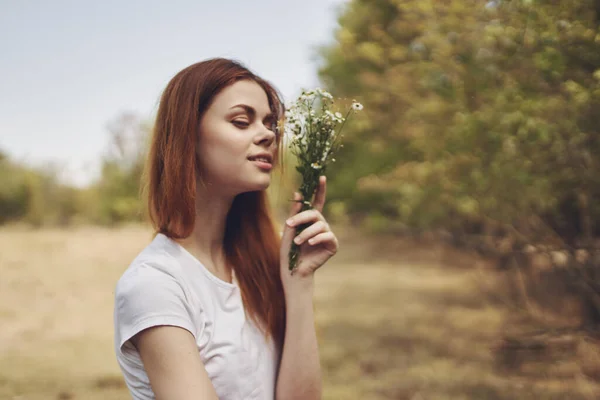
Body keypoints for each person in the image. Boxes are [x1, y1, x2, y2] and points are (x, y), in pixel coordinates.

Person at [113, 58, 339, 400]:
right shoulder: (155, 285)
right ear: (188, 135)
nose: (267, 134)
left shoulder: (256, 264)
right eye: (241, 121)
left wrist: (299, 280)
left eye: (269, 124)